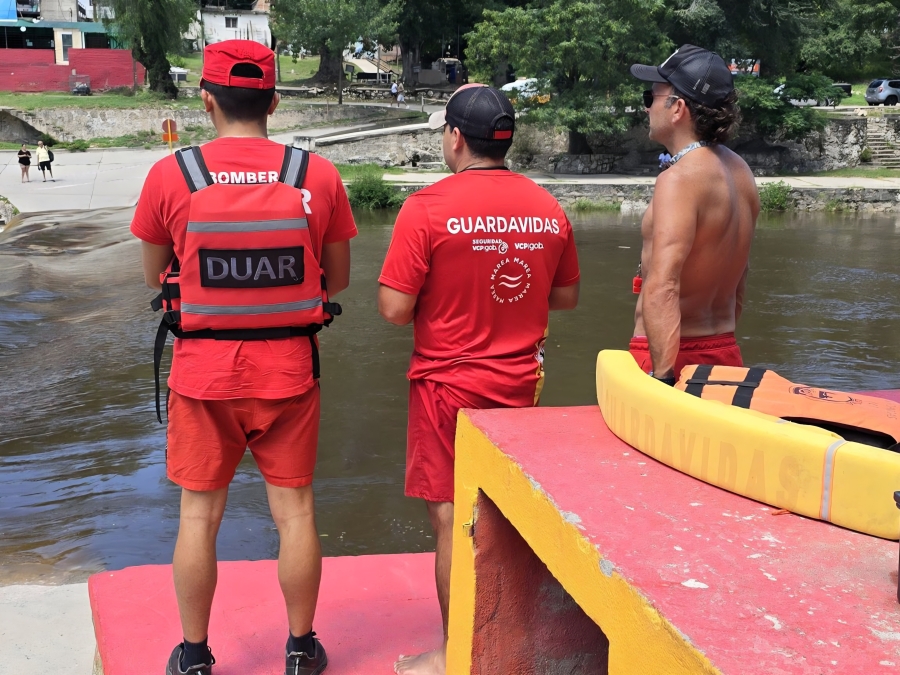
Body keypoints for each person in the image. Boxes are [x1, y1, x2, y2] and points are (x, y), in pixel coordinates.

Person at [130, 40, 356, 675]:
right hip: (288, 372)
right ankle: (301, 650)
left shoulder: (170, 176)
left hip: (202, 376)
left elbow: (155, 275)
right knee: (296, 512)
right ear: (274, 102)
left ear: (206, 100)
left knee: (198, 517)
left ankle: (194, 656)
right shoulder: (317, 176)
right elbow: (336, 280)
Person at [378, 84, 580, 675]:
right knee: (504, 516)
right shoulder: (547, 207)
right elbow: (565, 297)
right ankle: (509, 648)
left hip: (447, 388)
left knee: (450, 519)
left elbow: (393, 309)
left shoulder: (426, 208)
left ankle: (453, 656)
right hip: (520, 383)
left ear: (455, 137)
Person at [629, 44, 759, 384]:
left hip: (672, 357)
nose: (646, 107)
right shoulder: (742, 173)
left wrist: (663, 378)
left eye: (650, 97)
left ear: (677, 108)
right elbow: (741, 278)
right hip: (725, 351)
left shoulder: (678, 179)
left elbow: (664, 284)